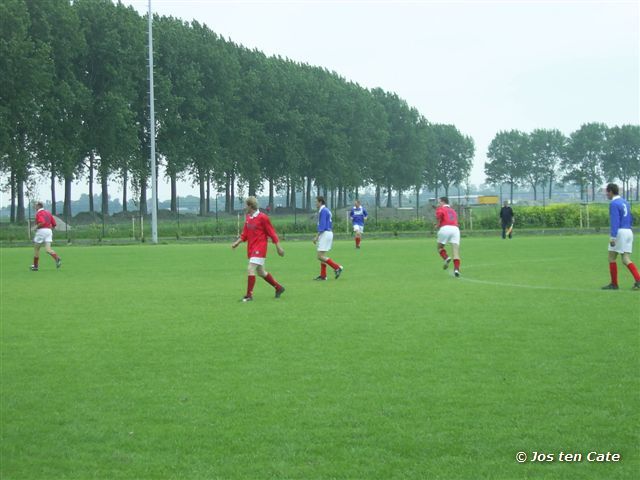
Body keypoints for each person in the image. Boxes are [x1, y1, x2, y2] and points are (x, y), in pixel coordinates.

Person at [232, 196, 285, 302]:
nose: (244, 207)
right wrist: (236, 243)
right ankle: (278, 288)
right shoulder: (248, 218)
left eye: (246, 205)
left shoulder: (263, 217)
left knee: (250, 269)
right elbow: (244, 234)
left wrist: (278, 247)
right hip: (252, 248)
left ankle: (249, 295)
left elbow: (271, 232)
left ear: (250, 206)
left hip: (260, 247)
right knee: (261, 272)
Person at [602, 183, 640, 290]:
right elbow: (630, 217)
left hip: (620, 232)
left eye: (607, 192)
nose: (606, 194)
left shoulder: (614, 203)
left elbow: (615, 221)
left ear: (611, 192)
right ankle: (638, 280)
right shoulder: (625, 202)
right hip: (629, 231)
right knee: (625, 259)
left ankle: (614, 284)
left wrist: (613, 237)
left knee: (611, 257)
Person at [313, 196, 343, 280]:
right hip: (328, 233)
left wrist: (316, 237)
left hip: (325, 233)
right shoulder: (326, 210)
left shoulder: (323, 211)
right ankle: (323, 276)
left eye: (316, 202)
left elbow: (322, 225)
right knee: (322, 255)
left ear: (320, 202)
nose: (315, 203)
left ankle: (337, 267)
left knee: (319, 256)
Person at [31, 201, 61, 271]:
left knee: (36, 249)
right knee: (48, 249)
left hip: (41, 231)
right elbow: (54, 224)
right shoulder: (48, 213)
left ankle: (35, 266)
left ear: (39, 206)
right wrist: (49, 231)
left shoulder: (39, 213)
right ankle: (57, 258)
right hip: (49, 231)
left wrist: (35, 227)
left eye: (35, 206)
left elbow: (42, 222)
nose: (35, 207)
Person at [435, 196, 461, 277]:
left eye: (439, 202)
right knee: (456, 252)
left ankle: (446, 257)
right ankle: (456, 269)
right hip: (455, 229)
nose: (438, 204)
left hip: (445, 228)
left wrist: (437, 225)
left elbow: (439, 217)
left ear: (443, 202)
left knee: (439, 247)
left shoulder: (440, 209)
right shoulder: (453, 210)